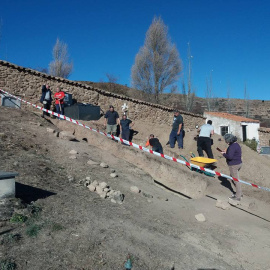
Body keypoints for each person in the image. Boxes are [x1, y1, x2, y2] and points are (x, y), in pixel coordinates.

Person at [221, 134, 243, 202]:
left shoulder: (232, 146)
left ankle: (238, 196)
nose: (226, 142)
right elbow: (232, 154)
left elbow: (230, 157)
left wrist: (224, 154)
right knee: (234, 179)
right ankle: (239, 193)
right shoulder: (236, 144)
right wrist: (226, 152)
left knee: (236, 180)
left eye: (226, 141)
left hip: (234, 165)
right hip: (238, 163)